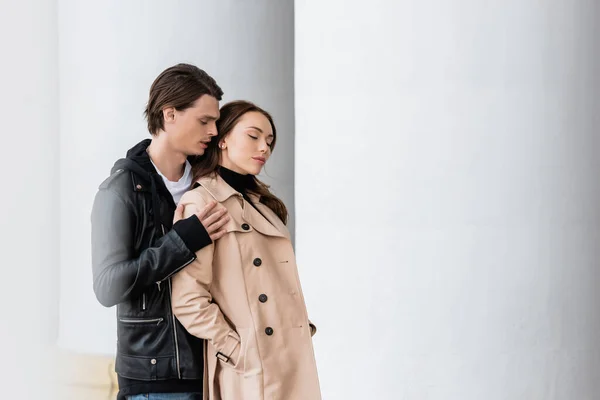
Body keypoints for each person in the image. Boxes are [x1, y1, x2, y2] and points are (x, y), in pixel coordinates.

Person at [91, 63, 230, 400]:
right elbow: (108, 286)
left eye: (215, 121)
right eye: (204, 120)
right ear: (169, 115)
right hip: (157, 380)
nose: (214, 131)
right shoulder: (120, 190)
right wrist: (182, 241)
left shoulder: (211, 185)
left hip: (220, 366)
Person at [171, 100, 321, 400]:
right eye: (253, 136)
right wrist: (239, 351)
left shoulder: (261, 204)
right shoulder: (202, 203)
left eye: (269, 141)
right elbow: (188, 299)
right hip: (251, 369)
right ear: (223, 138)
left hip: (287, 358)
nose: (264, 148)